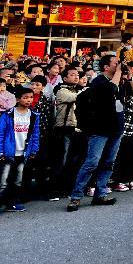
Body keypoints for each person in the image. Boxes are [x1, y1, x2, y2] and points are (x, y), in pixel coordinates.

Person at [67, 54, 123, 211]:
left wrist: (129, 74)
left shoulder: (120, 79)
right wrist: (119, 72)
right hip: (99, 130)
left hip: (116, 129)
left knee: (108, 162)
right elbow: (111, 89)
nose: (118, 66)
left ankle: (100, 194)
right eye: (116, 63)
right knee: (92, 162)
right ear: (106, 67)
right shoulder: (99, 82)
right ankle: (76, 196)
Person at [0, 87, 41, 217]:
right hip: (8, 153)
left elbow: (35, 135)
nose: (29, 100)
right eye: (25, 97)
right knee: (3, 181)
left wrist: (34, 150)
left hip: (23, 153)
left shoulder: (34, 116)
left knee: (18, 180)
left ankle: (12, 202)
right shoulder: (8, 115)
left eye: (30, 97)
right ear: (18, 99)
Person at [51, 67, 83, 199]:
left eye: (77, 75)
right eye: (72, 75)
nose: (76, 77)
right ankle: (54, 190)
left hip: (76, 129)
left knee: (73, 160)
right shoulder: (61, 91)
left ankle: (68, 188)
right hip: (64, 128)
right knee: (61, 160)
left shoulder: (78, 90)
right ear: (64, 78)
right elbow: (78, 97)